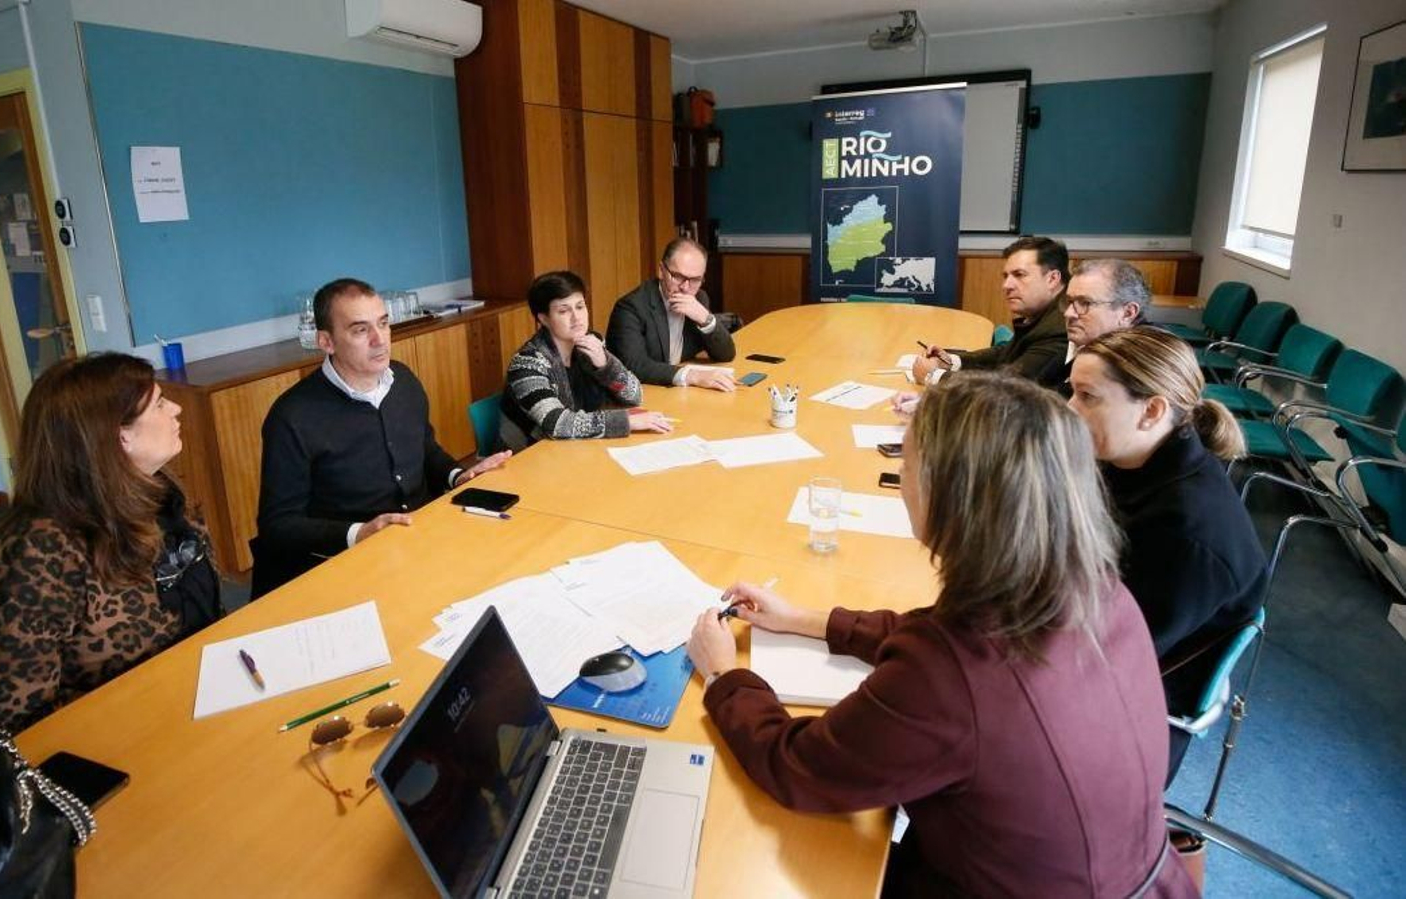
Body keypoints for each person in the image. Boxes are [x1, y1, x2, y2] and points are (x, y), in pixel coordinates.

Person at [687, 372, 1195, 897]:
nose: (899, 474)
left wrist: (726, 675)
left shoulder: (946, 673)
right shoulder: (1100, 589)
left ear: (948, 492)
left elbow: (797, 767)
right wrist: (804, 620)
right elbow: (928, 632)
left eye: (905, 462)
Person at [0, 353, 223, 734]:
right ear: (118, 435)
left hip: (201, 698)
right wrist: (156, 706)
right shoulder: (39, 550)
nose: (175, 408)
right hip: (121, 737)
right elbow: (17, 721)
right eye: (159, 403)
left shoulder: (159, 492)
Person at [1069, 327, 1267, 783]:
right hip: (1091, 656)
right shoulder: (1130, 464)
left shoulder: (1188, 533)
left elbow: (1099, 656)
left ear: (1152, 410)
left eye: (1087, 397)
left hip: (1121, 724)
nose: (1070, 409)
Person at [254, 278, 510, 597]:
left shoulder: (402, 380)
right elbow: (278, 525)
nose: (380, 340)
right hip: (345, 566)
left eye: (384, 323)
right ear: (326, 341)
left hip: (417, 542)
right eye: (360, 330)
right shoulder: (293, 416)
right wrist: (359, 533)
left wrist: (459, 476)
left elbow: (425, 449)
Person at [500, 270, 673, 448]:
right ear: (544, 319)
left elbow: (634, 395)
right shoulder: (527, 364)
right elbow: (556, 423)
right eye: (563, 311)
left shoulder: (591, 342)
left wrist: (606, 365)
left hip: (578, 447)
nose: (576, 318)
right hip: (529, 456)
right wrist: (626, 422)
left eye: (580, 306)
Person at [911, 235, 1070, 388]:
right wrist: (951, 361)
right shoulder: (1045, 315)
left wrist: (933, 376)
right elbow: (1005, 355)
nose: (1007, 285)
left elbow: (1006, 392)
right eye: (1006, 276)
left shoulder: (1061, 329)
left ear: (1052, 279)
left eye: (1019, 275)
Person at [606, 237, 737, 391]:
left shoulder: (699, 299)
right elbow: (635, 366)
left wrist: (706, 320)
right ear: (661, 271)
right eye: (678, 277)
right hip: (640, 395)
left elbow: (726, 355)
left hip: (677, 392)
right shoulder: (631, 307)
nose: (685, 287)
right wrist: (691, 375)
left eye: (695, 280)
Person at [1050, 258, 1153, 395]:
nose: (1069, 313)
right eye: (1069, 301)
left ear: (1127, 313)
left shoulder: (1139, 363)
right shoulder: (1086, 341)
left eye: (1085, 303)